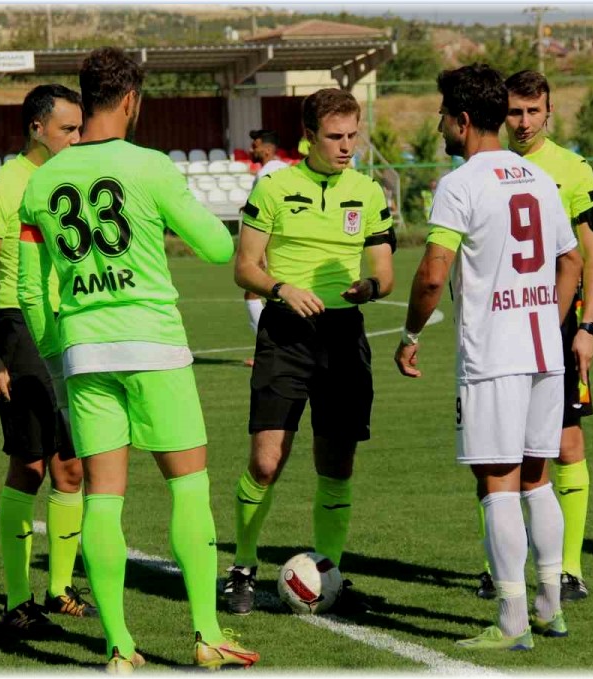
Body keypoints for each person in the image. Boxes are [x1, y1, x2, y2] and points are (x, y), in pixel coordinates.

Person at [16, 47, 259, 672]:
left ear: (85, 99)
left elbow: (33, 290)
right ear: (131, 100)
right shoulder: (150, 166)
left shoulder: (42, 182)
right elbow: (216, 247)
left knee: (104, 498)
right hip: (153, 344)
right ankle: (207, 635)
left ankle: (119, 648)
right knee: (189, 486)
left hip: (84, 351)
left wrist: (58, 351)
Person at [394, 64, 582, 650]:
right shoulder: (538, 177)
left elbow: (433, 273)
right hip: (543, 352)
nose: (440, 128)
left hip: (494, 356)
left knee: (498, 483)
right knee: (537, 479)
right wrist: (545, 320)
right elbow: (572, 261)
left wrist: (410, 333)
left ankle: (512, 621)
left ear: (462, 119)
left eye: (442, 117)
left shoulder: (461, 184)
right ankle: (550, 607)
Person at [224, 87, 396, 616]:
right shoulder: (274, 188)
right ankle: (242, 568)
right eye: (335, 136)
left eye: (352, 135)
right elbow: (244, 267)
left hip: (343, 337)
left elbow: (385, 273)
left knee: (337, 464)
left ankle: (329, 573)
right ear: (308, 136)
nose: (346, 146)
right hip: (285, 333)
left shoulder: (368, 192)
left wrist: (368, 288)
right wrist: (282, 289)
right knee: (266, 461)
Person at [473, 70, 593, 602]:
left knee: (566, 442)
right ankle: (498, 567)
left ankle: (568, 569)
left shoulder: (572, 169)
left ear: (549, 112)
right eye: (515, 112)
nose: (525, 122)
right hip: (497, 325)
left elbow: (592, 257)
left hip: (555, 322)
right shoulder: (481, 167)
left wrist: (587, 327)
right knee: (492, 450)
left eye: (533, 111)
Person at [0, 84, 92, 634]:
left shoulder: (73, 181)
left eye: (81, 128)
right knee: (31, 466)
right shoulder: (2, 187)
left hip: (72, 329)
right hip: (21, 333)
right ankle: (18, 601)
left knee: (73, 467)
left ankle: (60, 588)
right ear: (37, 128)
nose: (78, 138)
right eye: (68, 129)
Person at [239, 130, 293, 367]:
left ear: (268, 150)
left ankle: (269, 350)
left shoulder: (265, 174)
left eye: (256, 145)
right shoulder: (286, 170)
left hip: (268, 240)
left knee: (253, 293)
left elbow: (265, 211)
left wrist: (259, 251)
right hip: (287, 243)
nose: (252, 149)